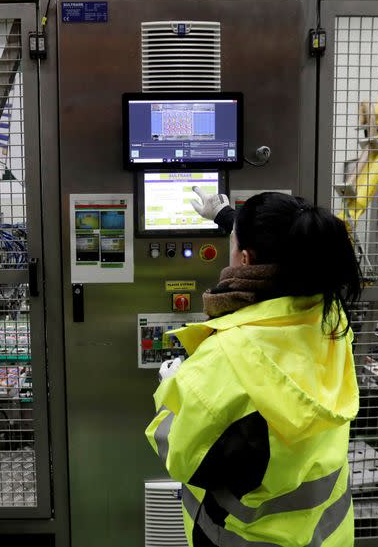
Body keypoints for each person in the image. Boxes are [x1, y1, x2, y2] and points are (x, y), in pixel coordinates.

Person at [145, 191, 362, 547]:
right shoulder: (331, 319)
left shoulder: (227, 355)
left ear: (244, 259)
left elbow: (182, 455)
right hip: (325, 534)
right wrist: (226, 216)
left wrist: (171, 390)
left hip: (246, 537)